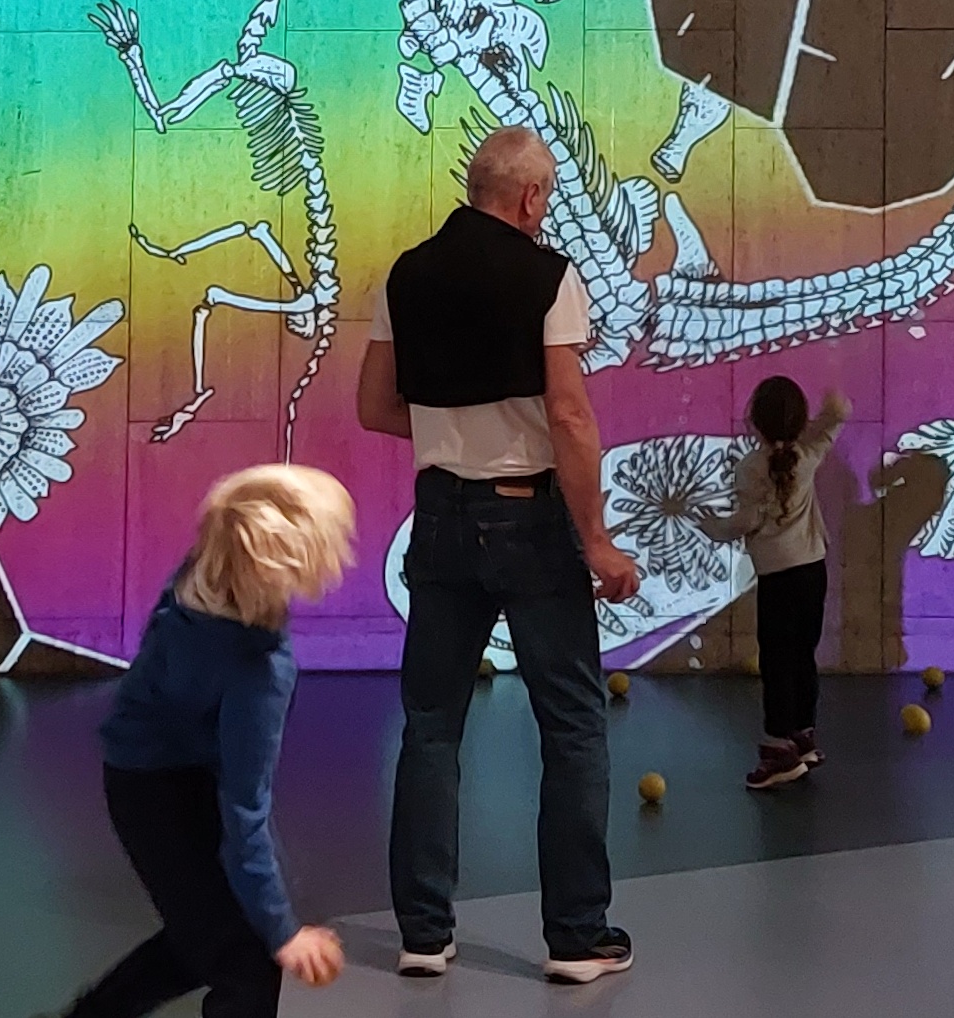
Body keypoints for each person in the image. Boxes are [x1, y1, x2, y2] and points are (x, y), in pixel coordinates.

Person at [356, 126, 641, 984]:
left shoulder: (405, 274)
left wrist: (454, 434)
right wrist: (596, 539)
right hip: (529, 520)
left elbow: (374, 407)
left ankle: (422, 933)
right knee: (574, 726)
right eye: (545, 196)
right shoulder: (549, 276)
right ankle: (576, 938)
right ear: (529, 198)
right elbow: (570, 415)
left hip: (440, 517)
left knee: (431, 728)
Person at [47, 465, 355, 1018]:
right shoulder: (258, 671)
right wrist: (284, 932)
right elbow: (245, 811)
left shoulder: (193, 584)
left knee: (203, 933)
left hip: (142, 774)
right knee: (248, 966)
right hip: (158, 791)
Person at [701, 377, 849, 789]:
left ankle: (778, 751)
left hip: (777, 577)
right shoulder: (807, 456)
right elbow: (836, 418)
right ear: (800, 420)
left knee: (776, 662)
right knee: (802, 656)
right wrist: (831, 400)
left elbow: (746, 520)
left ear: (755, 421)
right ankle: (803, 736)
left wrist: (713, 528)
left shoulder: (750, 468)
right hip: (813, 571)